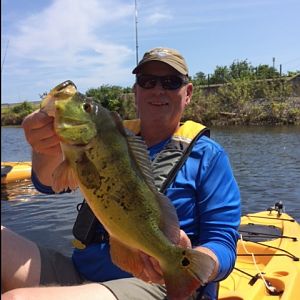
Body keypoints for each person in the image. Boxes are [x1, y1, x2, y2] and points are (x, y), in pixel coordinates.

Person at [1, 47, 241, 300]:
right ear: (136, 92)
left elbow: (223, 243)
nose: (158, 90)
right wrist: (43, 148)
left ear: (188, 92)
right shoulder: (109, 137)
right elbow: (49, 183)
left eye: (171, 82)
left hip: (152, 285)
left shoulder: (209, 157)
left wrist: (192, 261)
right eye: (147, 82)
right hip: (81, 274)